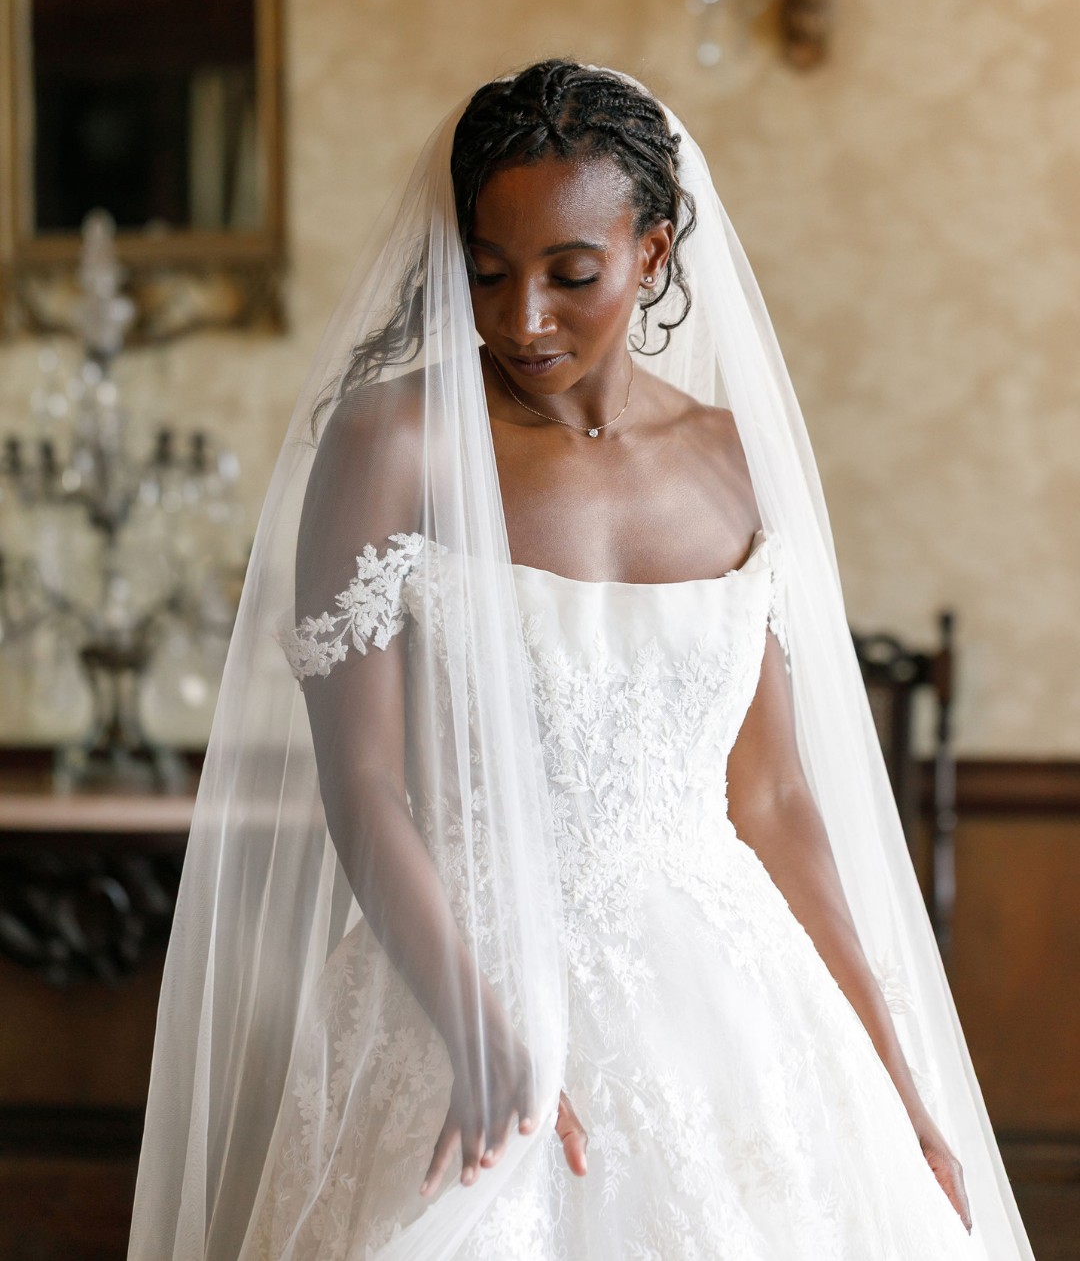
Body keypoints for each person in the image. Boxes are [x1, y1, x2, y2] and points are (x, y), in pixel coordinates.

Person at [129, 61, 1034, 1260]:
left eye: (572, 274)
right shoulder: (389, 443)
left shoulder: (733, 462)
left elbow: (771, 799)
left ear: (652, 254)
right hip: (457, 978)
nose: (522, 320)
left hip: (729, 998)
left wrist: (897, 1082)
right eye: (489, 273)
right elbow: (365, 787)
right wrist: (476, 1024)